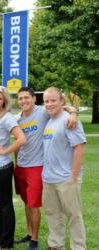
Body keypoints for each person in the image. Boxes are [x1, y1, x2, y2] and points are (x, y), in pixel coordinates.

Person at [14, 87, 78, 250]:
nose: (23, 101)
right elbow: (18, 144)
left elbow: (66, 108)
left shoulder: (43, 112)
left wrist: (74, 113)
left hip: (37, 166)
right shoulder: (17, 119)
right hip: (21, 166)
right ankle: (29, 233)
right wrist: (16, 164)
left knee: (34, 204)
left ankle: (34, 240)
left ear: (34, 98)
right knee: (26, 202)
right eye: (20, 98)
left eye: (26, 97)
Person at [0, 85, 27, 250]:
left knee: (6, 205)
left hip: (2, 167)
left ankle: (6, 242)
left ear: (4, 101)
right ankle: (2, 236)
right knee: (1, 204)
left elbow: (21, 139)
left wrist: (5, 150)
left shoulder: (7, 118)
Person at [43, 87, 86, 250]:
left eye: (53, 100)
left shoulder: (69, 120)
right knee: (53, 215)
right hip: (48, 178)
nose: (49, 104)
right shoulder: (49, 120)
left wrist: (73, 176)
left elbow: (80, 147)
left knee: (74, 216)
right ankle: (55, 245)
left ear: (61, 101)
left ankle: (78, 247)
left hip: (66, 178)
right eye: (46, 101)